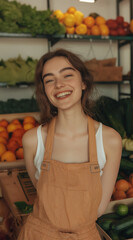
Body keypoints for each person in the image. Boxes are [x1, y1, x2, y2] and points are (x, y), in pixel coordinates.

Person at [18, 48, 122, 240]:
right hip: (38, 234)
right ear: (44, 90)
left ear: (83, 82)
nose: (59, 84)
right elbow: (42, 195)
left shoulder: (110, 140)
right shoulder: (33, 140)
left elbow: (98, 208)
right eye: (49, 80)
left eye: (67, 75)